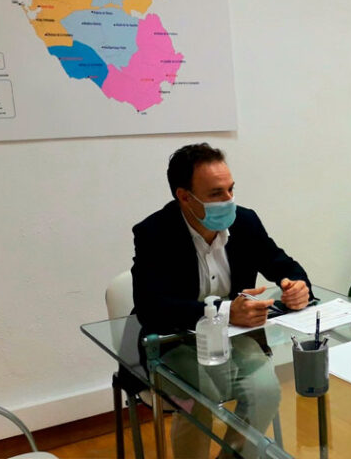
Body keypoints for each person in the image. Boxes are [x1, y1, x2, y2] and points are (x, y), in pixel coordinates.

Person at [131, 143, 313, 458]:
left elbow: (282, 264)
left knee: (266, 391)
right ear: (184, 196)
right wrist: (227, 311)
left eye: (231, 189)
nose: (229, 200)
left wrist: (297, 285)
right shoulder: (155, 233)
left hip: (234, 339)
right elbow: (151, 308)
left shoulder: (245, 222)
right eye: (216, 193)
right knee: (202, 397)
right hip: (174, 342)